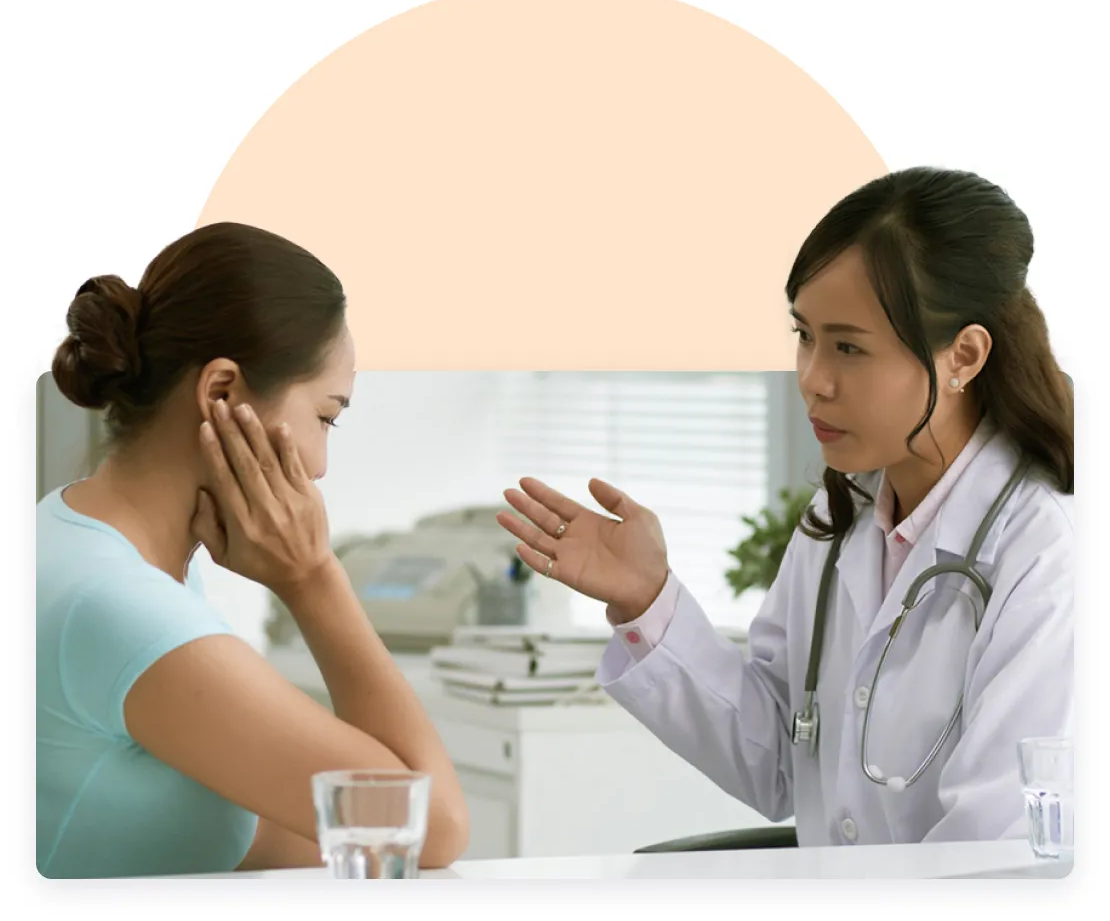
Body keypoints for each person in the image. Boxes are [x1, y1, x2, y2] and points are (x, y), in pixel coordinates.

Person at [497, 166, 1074, 846]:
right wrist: (646, 600)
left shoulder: (1046, 551)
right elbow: (777, 760)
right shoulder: (843, 518)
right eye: (805, 335)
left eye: (849, 347)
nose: (812, 379)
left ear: (965, 356)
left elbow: (996, 848)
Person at [37, 222, 469, 878]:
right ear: (221, 393)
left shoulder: (74, 534)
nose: (320, 465)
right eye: (326, 416)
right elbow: (429, 828)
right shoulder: (123, 607)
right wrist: (313, 578)